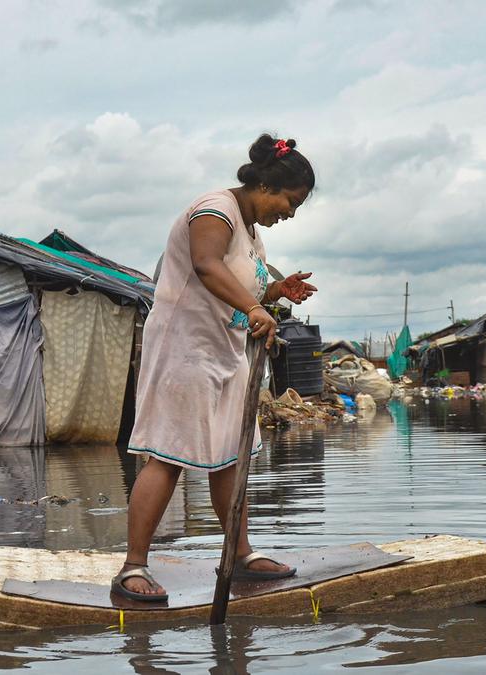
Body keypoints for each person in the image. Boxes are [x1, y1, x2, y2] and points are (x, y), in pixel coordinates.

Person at [112, 134, 317, 601]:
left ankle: (240, 556)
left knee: (230, 455)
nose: (290, 213)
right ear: (265, 184)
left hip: (225, 351)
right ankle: (132, 569)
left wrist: (274, 292)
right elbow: (206, 266)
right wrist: (255, 304)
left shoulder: (250, 236)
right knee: (167, 455)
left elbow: (241, 291)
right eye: (290, 201)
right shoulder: (214, 210)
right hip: (185, 351)